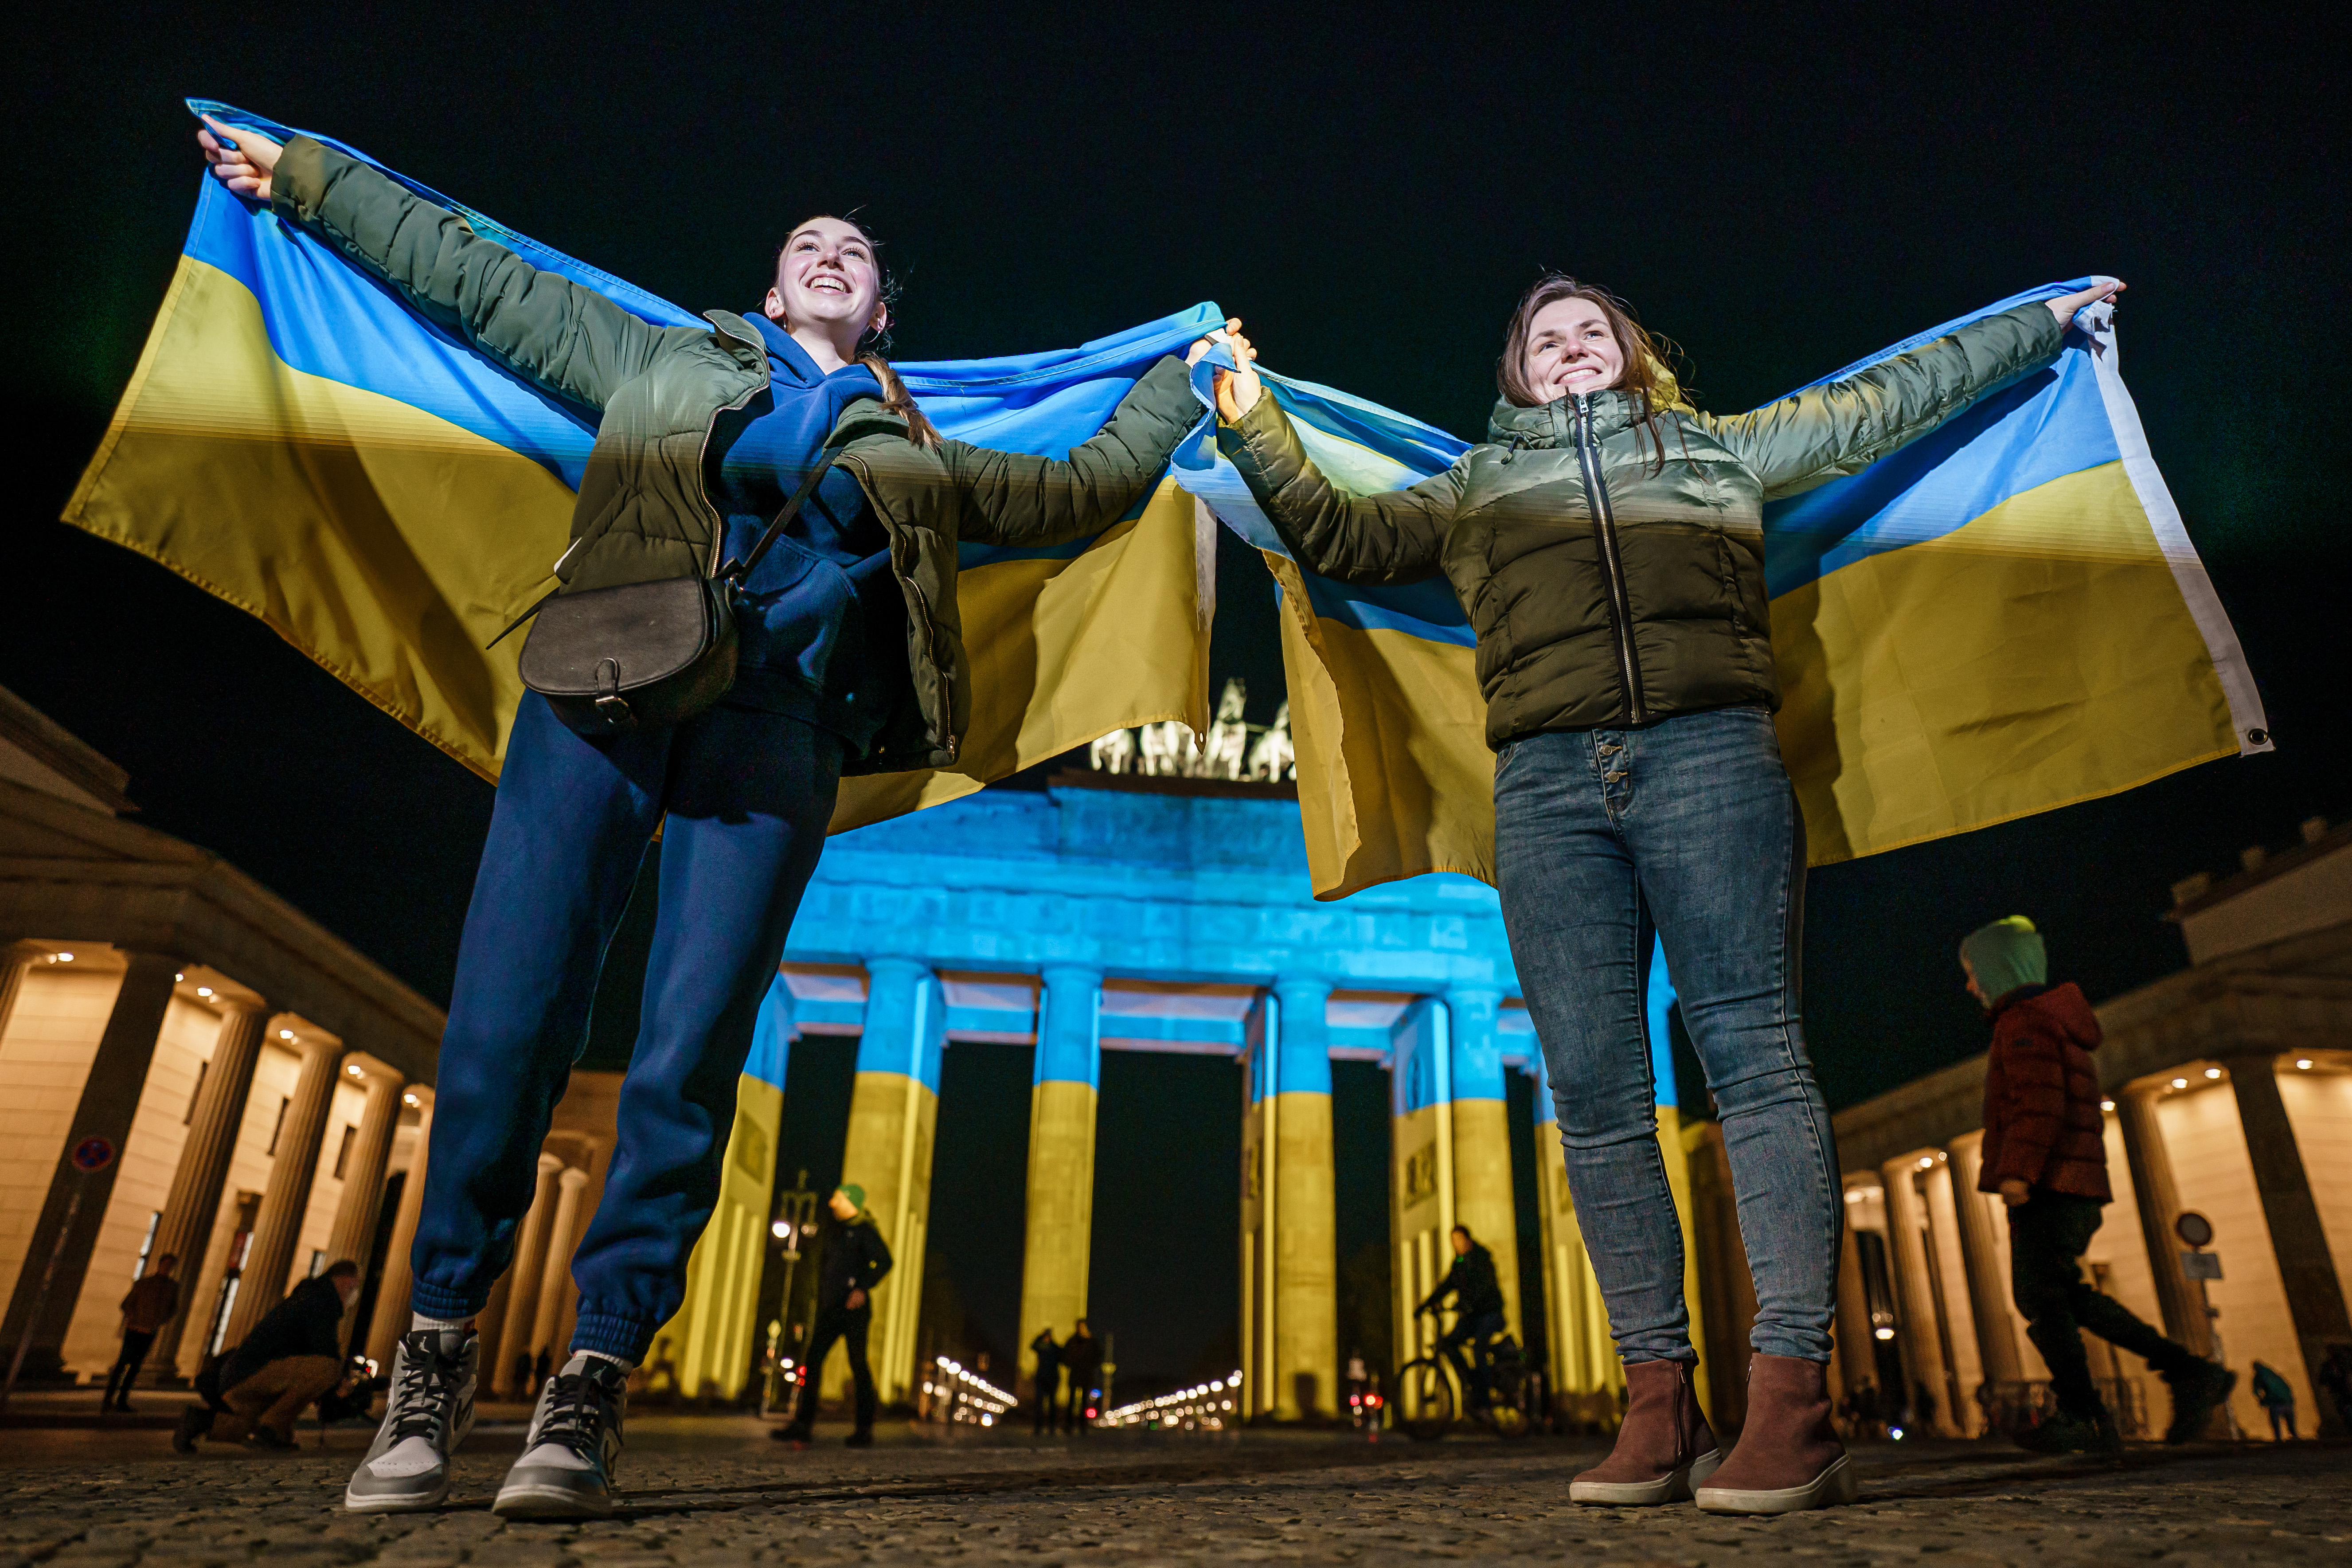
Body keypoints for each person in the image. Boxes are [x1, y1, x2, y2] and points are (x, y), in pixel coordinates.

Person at [198, 121, 1228, 1519]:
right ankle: (433, 1349)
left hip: (780, 732)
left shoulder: (919, 442)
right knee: (511, 1012)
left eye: (854, 255)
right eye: (808, 242)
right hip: (603, 687)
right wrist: (311, 182)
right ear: (769, 285)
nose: (829, 253)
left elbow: (1084, 489)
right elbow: (478, 279)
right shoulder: (659, 355)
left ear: (879, 312)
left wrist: (1184, 385)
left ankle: (594, 1376)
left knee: (688, 1049)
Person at [1211, 273, 2123, 1515]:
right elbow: (1342, 540)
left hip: (1711, 760)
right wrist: (1251, 414)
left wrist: (2040, 320)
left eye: (1594, 331)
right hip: (1543, 783)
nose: (1573, 348)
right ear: (1518, 376)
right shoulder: (1478, 487)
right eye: (1548, 339)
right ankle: (1660, 1400)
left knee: (1755, 1061)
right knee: (1592, 1094)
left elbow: (1887, 399)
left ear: (1630, 355)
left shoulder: (1719, 448)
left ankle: (1793, 1399)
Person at [1963, 915, 2235, 1453]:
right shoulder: (2053, 1019)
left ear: (1998, 971)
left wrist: (2017, 1171)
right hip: (2073, 1183)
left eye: (1973, 973)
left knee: (2040, 1295)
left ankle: (2085, 1412)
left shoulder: (2022, 1022)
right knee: (2062, 1297)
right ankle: (2174, 1377)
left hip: (2051, 1183)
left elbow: (2037, 1102)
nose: (1969, 985)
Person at [172, 1261, 363, 1451]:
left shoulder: (310, 1297)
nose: (353, 1293)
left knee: (257, 1428)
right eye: (354, 1286)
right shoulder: (320, 1299)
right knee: (329, 1369)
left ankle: (198, 1421)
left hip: (240, 1378)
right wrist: (339, 1384)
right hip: (250, 1374)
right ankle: (270, 1430)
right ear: (345, 1280)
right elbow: (324, 1352)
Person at [774, 1186, 892, 1448]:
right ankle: (803, 1425)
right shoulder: (834, 1231)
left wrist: (862, 1287)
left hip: (854, 1309)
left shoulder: (865, 1231)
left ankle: (864, 1429)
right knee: (813, 1361)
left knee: (858, 1364)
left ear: (851, 1202)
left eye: (837, 1198)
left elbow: (885, 1261)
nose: (831, 1202)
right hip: (831, 1308)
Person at [1418, 1225, 1508, 1416]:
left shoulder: (1482, 1257)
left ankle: (1484, 1404)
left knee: (1479, 1350)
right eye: (1453, 1241)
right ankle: (1471, 1380)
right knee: (1448, 1343)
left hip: (1489, 1314)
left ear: (1468, 1239)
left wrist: (1467, 1304)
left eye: (1459, 1240)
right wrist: (1426, 1305)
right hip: (1471, 1316)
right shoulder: (1458, 1264)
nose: (1455, 1244)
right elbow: (1448, 1285)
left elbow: (1484, 1286)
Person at [104, 1253, 179, 1412]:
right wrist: (135, 1319)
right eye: (166, 1265)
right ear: (160, 1265)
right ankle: (108, 1399)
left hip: (149, 1331)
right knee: (123, 1364)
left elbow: (173, 1309)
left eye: (170, 1266)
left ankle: (122, 1401)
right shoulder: (144, 1284)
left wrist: (159, 1321)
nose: (167, 1268)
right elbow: (127, 1304)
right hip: (134, 1329)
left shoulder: (172, 1288)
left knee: (135, 1367)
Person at [1060, 1320, 1101, 1432]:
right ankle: (1069, 1425)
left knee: (1084, 1401)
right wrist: (1070, 1364)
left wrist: (1091, 1365)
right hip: (1075, 1374)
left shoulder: (1092, 1341)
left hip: (1086, 1375)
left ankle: (1083, 1425)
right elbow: (1064, 1355)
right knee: (1071, 1400)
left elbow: (1099, 1356)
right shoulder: (1072, 1341)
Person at [1029, 1326, 1063, 1435]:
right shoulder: (1041, 1347)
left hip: (1052, 1379)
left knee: (1052, 1405)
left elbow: (1062, 1356)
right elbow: (1033, 1346)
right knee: (1039, 1405)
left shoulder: (1054, 1348)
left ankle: (1051, 1428)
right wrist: (1040, 1337)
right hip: (1042, 1379)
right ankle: (1038, 1428)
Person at [2250, 1361, 2297, 1440]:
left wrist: (2262, 1400)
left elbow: (2256, 1390)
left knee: (2275, 1421)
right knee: (2290, 1422)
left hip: (2275, 1402)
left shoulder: (2259, 1376)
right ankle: (2294, 1436)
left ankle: (2279, 1439)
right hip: (2287, 1400)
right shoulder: (2273, 1374)